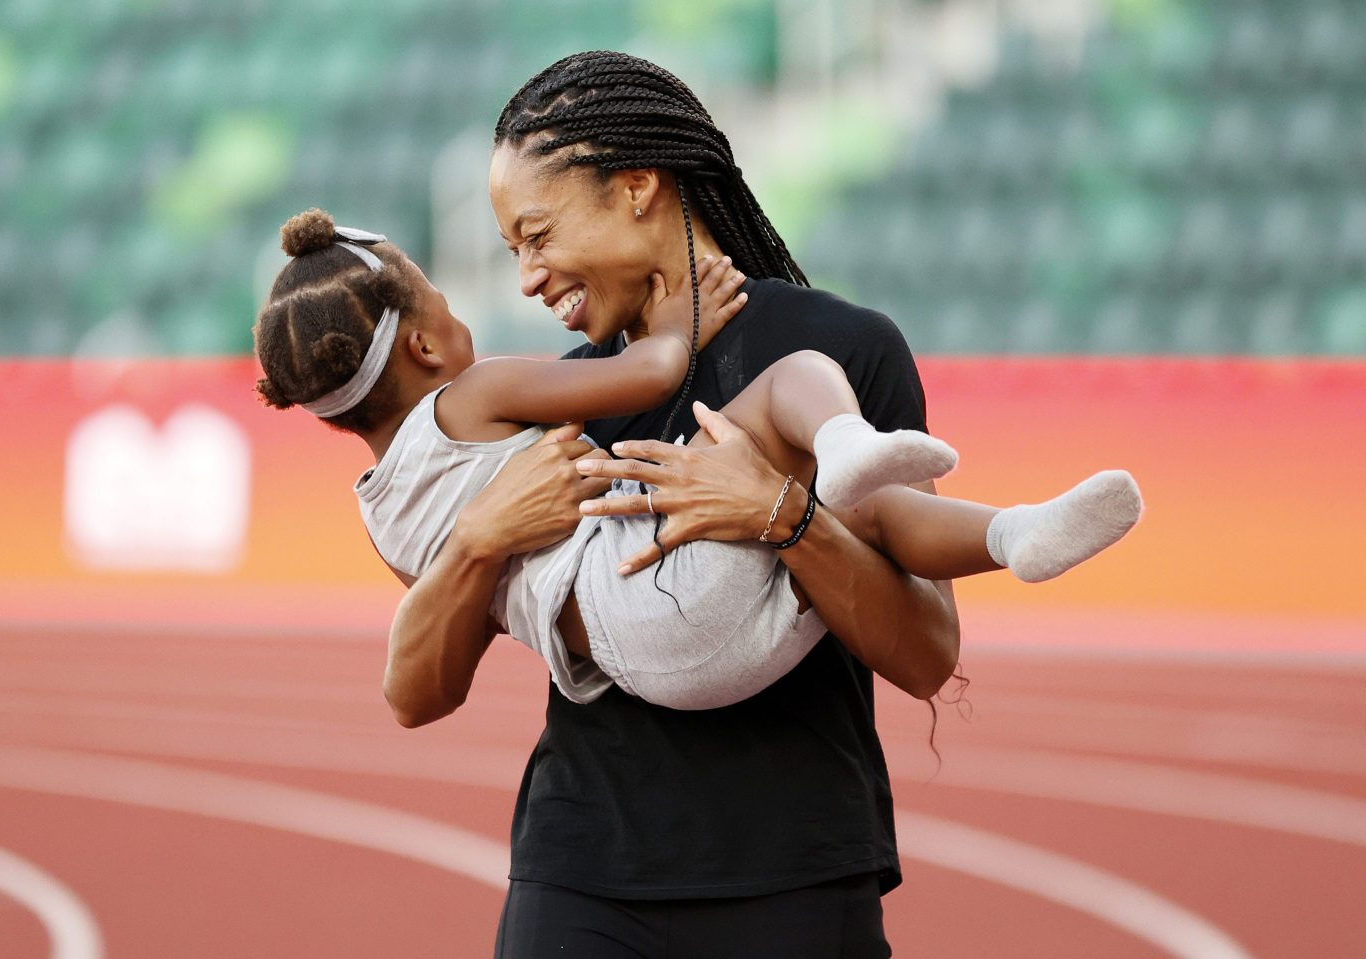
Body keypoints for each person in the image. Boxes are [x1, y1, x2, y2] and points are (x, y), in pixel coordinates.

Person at [378, 51, 1124, 957]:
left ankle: (1009, 531)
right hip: (581, 874)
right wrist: (478, 541)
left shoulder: (843, 348)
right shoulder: (558, 398)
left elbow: (928, 652)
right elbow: (415, 694)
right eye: (512, 253)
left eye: (537, 234)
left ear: (638, 186)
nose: (528, 278)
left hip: (795, 876)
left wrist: (784, 516)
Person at [253, 208, 1140, 711]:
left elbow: (439, 643)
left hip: (645, 666)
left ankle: (1015, 533)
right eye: (444, 298)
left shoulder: (381, 511)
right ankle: (855, 444)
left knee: (842, 511)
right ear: (424, 347)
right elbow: (656, 367)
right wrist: (688, 318)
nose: (518, 279)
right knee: (799, 388)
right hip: (651, 577)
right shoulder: (473, 394)